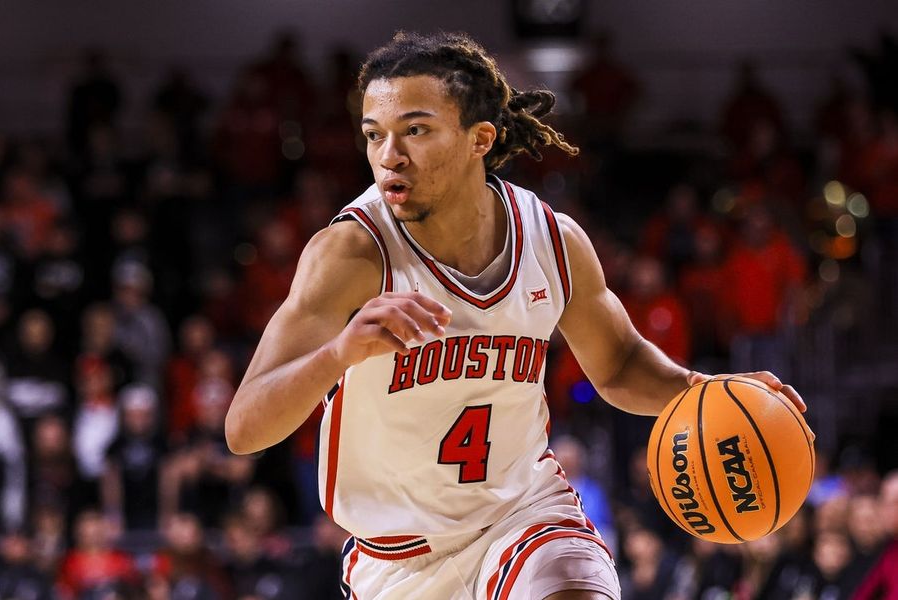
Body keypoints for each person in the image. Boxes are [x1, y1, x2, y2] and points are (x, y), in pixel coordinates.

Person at [225, 31, 806, 600]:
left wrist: (705, 392)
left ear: (479, 138)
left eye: (416, 131)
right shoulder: (351, 253)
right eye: (374, 135)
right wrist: (340, 352)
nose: (388, 156)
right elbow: (244, 428)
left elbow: (621, 360)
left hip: (523, 515)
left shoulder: (553, 242)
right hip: (397, 556)